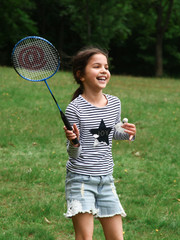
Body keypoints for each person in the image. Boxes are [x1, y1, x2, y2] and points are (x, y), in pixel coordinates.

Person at [63, 47, 136, 240]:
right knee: (85, 238)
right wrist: (74, 142)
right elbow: (73, 154)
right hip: (80, 180)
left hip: (106, 179)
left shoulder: (114, 103)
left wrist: (127, 133)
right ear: (81, 75)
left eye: (106, 66)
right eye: (97, 66)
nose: (104, 70)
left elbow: (112, 133)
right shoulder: (74, 109)